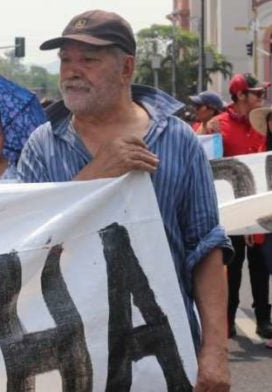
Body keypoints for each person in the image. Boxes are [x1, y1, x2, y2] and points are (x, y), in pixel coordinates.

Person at [18, 10, 232, 390]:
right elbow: (27, 249)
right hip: (71, 360)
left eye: (89, 59)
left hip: (162, 355)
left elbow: (206, 247)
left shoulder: (178, 140)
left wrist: (214, 351)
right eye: (66, 59)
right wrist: (95, 176)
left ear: (126, 68)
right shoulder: (41, 146)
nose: (72, 70)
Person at [209, 73, 272, 340]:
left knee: (260, 267)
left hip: (259, 210)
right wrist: (204, 131)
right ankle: (228, 319)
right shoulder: (217, 126)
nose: (261, 98)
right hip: (230, 211)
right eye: (256, 94)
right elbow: (204, 156)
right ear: (241, 95)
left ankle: (263, 320)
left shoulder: (263, 124)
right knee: (232, 269)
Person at [248, 106, 272, 348]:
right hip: (263, 225)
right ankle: (264, 321)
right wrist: (247, 225)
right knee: (261, 274)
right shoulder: (259, 152)